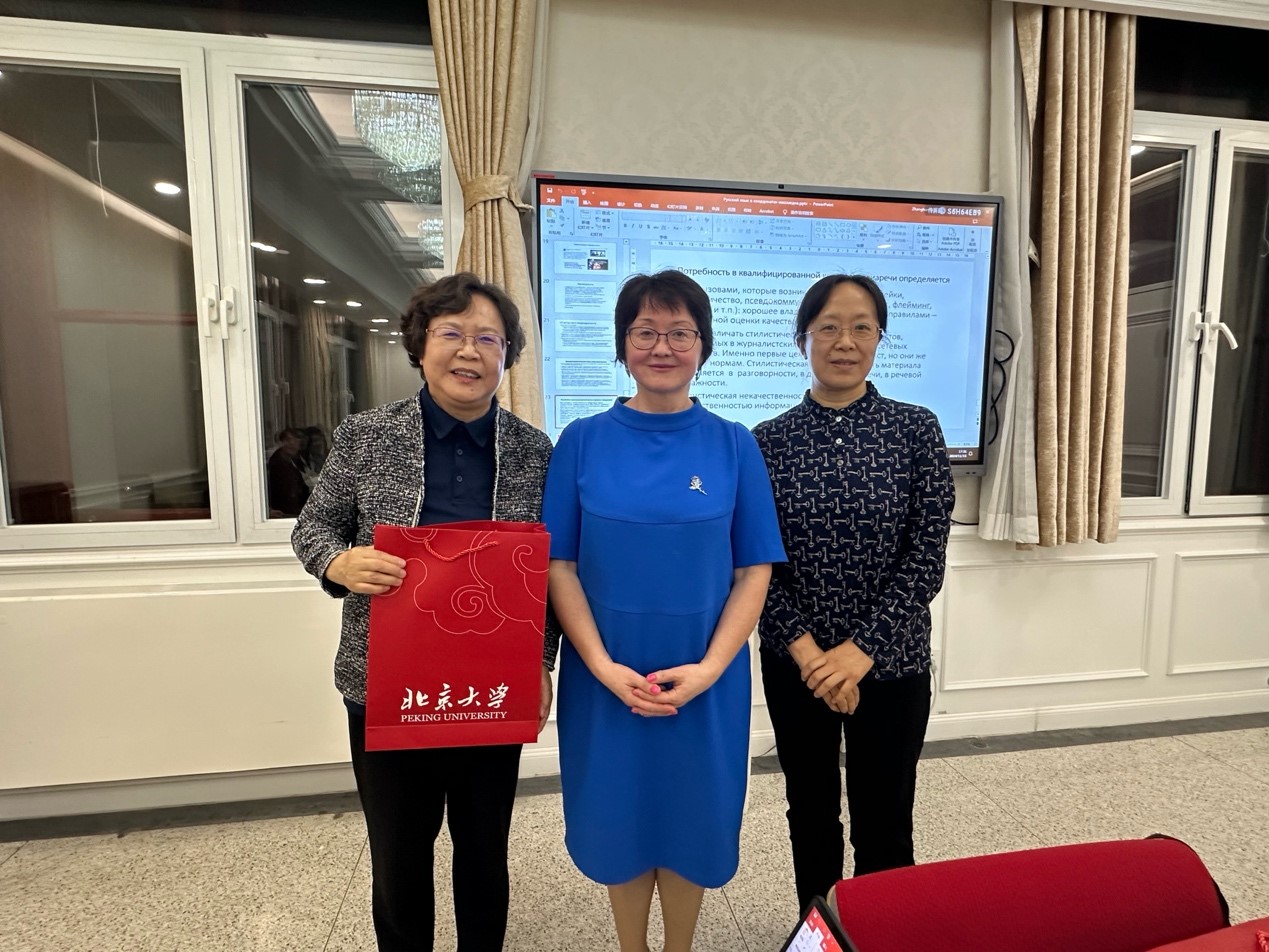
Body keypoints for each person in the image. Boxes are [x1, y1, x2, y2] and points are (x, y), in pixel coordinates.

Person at [291, 272, 558, 952]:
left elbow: (548, 571)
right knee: (399, 852)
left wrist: (539, 663)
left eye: (488, 339)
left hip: (488, 685)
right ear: (419, 345)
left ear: (507, 355)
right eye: (452, 334)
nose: (469, 351)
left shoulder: (534, 452)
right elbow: (312, 527)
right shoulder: (366, 435)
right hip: (386, 684)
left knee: (483, 849)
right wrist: (338, 563)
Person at [543, 270, 785, 952]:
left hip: (705, 681)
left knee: (691, 820)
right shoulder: (582, 440)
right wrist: (600, 667)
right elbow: (559, 566)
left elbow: (754, 571)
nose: (662, 346)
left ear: (703, 345)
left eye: (680, 332)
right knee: (618, 819)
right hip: (606, 677)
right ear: (622, 345)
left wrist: (710, 669)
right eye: (645, 331)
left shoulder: (733, 444)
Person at [751, 274, 954, 912]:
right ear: (803, 339)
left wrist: (858, 653)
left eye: (862, 327)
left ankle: (881, 931)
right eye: (829, 327)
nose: (846, 341)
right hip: (797, 665)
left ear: (879, 338)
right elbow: (756, 567)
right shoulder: (767, 441)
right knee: (810, 812)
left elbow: (926, 559)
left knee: (885, 816)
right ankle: (819, 935)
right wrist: (814, 658)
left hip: (891, 664)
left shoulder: (917, 430)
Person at [267, 426, 310, 516]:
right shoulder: (278, 462)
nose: (292, 443)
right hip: (285, 512)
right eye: (288, 440)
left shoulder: (295, 459)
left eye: (295, 440)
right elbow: (287, 493)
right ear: (281, 443)